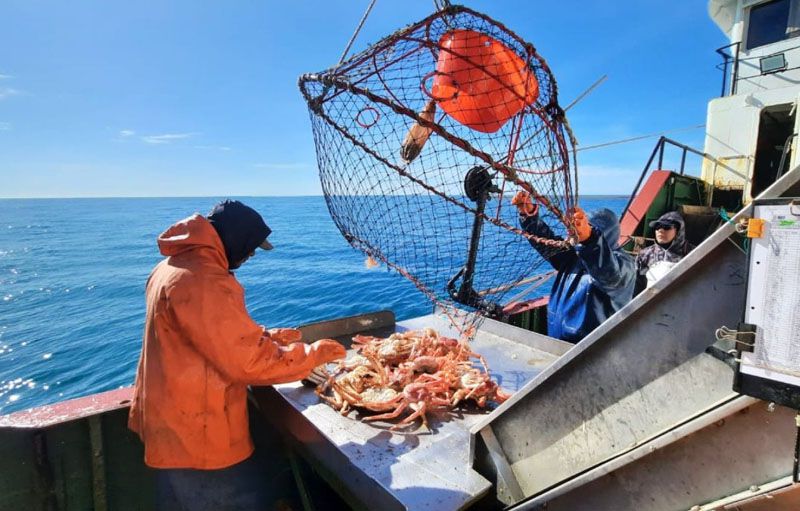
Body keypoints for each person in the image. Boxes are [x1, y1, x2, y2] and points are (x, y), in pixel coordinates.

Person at [128, 199, 346, 510]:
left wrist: (264, 336)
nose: (251, 254)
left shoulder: (172, 267)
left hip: (169, 423)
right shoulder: (204, 280)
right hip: (200, 438)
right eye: (250, 247)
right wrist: (313, 354)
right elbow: (247, 363)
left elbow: (198, 335)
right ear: (235, 239)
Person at [512, 191, 635, 343]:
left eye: (586, 229)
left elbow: (609, 274)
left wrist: (590, 240)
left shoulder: (624, 263)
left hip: (590, 350)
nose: (574, 232)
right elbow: (547, 243)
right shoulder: (573, 257)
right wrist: (528, 215)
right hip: (558, 341)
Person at [635, 211, 695, 290]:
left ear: (678, 231)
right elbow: (637, 286)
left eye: (666, 227)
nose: (660, 230)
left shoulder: (694, 253)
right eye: (657, 226)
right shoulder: (644, 255)